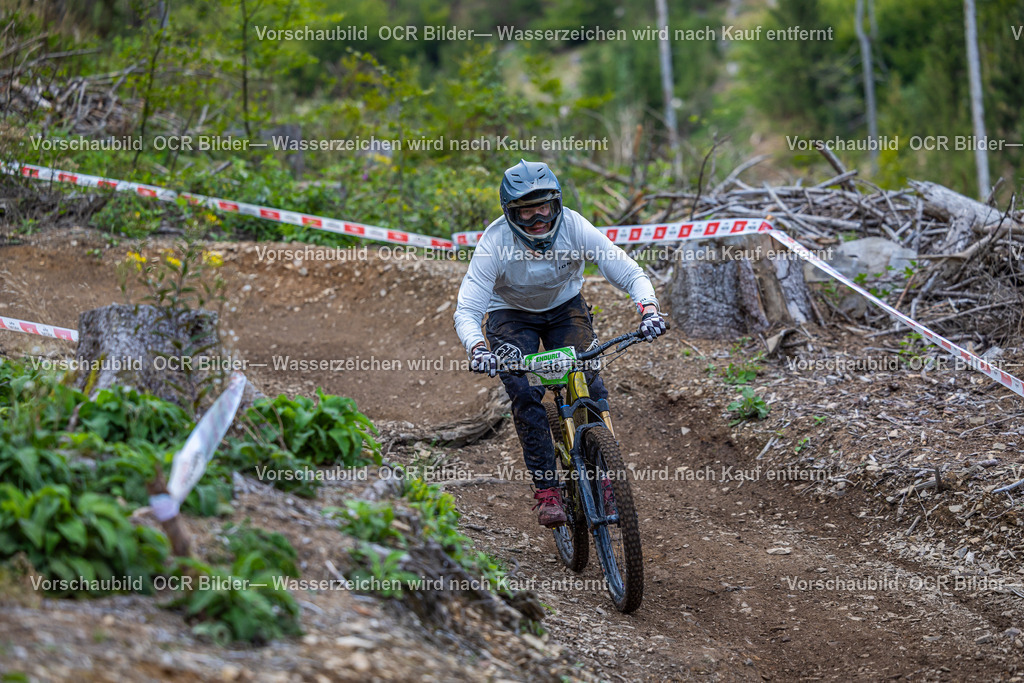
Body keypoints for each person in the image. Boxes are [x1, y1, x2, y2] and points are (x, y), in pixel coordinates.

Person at [453, 159, 667, 527]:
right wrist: (478, 348)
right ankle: (547, 490)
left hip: (566, 307)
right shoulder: (494, 244)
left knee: (590, 383)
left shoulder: (575, 226)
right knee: (524, 394)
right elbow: (467, 310)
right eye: (526, 212)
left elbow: (627, 270)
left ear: (558, 203)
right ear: (509, 214)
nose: (539, 219)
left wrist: (649, 309)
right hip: (510, 313)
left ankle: (604, 475)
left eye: (545, 207)